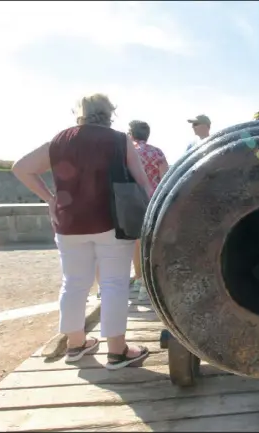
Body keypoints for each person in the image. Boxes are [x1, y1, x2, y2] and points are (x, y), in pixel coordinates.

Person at [12, 93, 154, 370]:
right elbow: (144, 183)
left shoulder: (61, 140)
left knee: (74, 283)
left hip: (69, 224)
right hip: (112, 221)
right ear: (109, 113)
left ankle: (76, 345)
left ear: (80, 112)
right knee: (113, 283)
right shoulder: (118, 140)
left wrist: (51, 199)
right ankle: (117, 351)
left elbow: (21, 168)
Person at [127, 120, 169, 300]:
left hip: (131, 201)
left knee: (135, 243)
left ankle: (138, 279)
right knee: (152, 243)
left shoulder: (127, 152)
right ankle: (149, 284)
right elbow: (166, 178)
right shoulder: (157, 152)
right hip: (153, 202)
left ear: (131, 134)